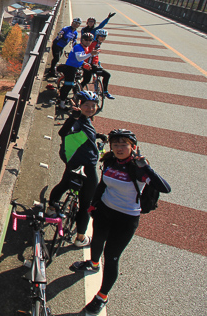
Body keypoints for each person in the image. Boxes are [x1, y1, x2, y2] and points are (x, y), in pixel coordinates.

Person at [71, 129, 171, 316]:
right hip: (104, 211)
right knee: (97, 240)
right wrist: (93, 204)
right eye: (115, 144)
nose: (118, 148)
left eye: (123, 144)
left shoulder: (138, 168)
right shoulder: (110, 161)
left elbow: (165, 188)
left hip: (126, 219)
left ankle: (102, 296)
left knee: (111, 256)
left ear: (133, 147)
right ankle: (92, 264)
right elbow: (102, 184)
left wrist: (146, 167)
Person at [47, 90, 105, 247]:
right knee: (85, 204)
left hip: (74, 163)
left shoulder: (85, 120)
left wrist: (98, 135)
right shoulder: (78, 120)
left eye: (93, 105)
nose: (90, 108)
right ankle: (80, 239)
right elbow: (63, 132)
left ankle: (51, 207)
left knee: (64, 184)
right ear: (79, 105)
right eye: (86, 105)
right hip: (86, 165)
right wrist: (73, 117)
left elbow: (82, 134)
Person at [57, 32, 94, 110]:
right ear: (82, 40)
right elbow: (79, 58)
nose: (88, 41)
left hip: (75, 67)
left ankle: (63, 99)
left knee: (73, 83)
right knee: (68, 86)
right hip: (70, 68)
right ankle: (61, 104)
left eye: (90, 40)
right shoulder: (78, 47)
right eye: (86, 40)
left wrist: (84, 63)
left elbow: (80, 59)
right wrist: (90, 54)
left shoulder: (83, 47)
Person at [81, 29, 115, 100]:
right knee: (86, 80)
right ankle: (78, 89)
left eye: (104, 36)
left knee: (106, 75)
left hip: (94, 64)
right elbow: (88, 53)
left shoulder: (98, 43)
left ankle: (105, 91)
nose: (103, 38)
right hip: (88, 64)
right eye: (101, 36)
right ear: (97, 36)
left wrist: (98, 63)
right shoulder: (93, 43)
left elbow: (96, 55)